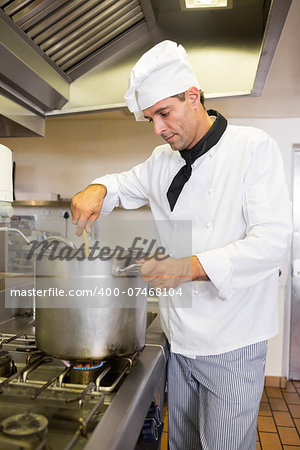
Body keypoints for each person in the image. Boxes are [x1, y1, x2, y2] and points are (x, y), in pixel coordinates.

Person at [71, 40, 293, 450]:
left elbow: (273, 243)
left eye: (163, 113)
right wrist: (97, 186)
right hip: (180, 339)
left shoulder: (252, 148)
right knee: (184, 444)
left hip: (234, 342)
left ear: (193, 97)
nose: (158, 128)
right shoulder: (161, 160)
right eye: (150, 118)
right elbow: (120, 185)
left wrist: (186, 267)